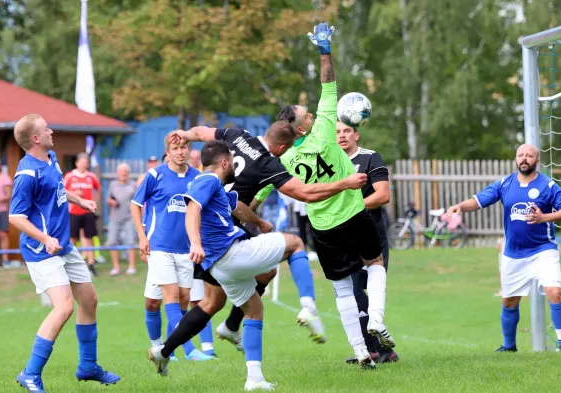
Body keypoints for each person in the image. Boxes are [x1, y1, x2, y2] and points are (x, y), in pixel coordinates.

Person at [148, 140, 346, 390]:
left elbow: (238, 207)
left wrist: (260, 223)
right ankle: (309, 307)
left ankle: (253, 378)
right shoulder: (207, 181)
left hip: (220, 266)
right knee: (295, 243)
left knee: (254, 310)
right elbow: (192, 209)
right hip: (232, 253)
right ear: (223, 162)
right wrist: (196, 243)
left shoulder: (214, 187)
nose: (233, 165)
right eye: (231, 160)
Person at [254, 22, 394, 368]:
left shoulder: (281, 159)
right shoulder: (326, 130)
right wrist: (324, 49)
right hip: (353, 213)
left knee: (343, 288)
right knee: (375, 265)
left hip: (323, 227)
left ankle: (361, 351)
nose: (313, 114)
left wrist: (249, 216)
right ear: (300, 127)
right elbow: (328, 82)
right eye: (307, 115)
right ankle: (375, 318)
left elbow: (260, 192)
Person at [169, 117, 367, 350]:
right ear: (282, 148)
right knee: (216, 301)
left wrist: (185, 134)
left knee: (263, 274)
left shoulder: (238, 135)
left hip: (220, 227)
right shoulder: (268, 164)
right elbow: (306, 194)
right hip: (221, 234)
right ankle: (306, 308)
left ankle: (211, 335)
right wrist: (345, 183)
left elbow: (203, 132)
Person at [9, 114, 119, 393]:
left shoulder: (51, 158)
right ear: (35, 138)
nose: (51, 130)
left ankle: (88, 367)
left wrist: (79, 199)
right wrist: (45, 238)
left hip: (64, 246)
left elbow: (56, 188)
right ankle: (30, 373)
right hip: (41, 250)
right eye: (46, 129)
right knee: (64, 307)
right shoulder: (26, 173)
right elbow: (16, 217)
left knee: (90, 301)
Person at [447, 143, 561, 352]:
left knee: (555, 292)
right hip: (514, 253)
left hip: (543, 249)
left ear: (537, 161)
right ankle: (509, 346)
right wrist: (460, 207)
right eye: (520, 155)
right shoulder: (505, 184)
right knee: (508, 301)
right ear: (516, 159)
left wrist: (544, 217)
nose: (524, 159)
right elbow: (478, 200)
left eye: (529, 156)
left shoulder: (548, 186)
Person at [130, 132, 213, 362]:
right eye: (175, 148)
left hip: (186, 249)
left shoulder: (198, 178)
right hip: (159, 247)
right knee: (169, 297)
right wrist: (142, 237)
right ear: (167, 151)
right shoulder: (154, 175)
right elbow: (135, 205)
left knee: (183, 298)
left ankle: (165, 349)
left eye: (184, 147)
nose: (180, 152)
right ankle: (186, 350)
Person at [336, 121, 398, 364]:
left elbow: (383, 195)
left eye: (346, 131)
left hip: (371, 234)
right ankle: (375, 349)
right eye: (338, 132)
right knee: (352, 293)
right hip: (342, 237)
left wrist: (351, 208)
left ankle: (377, 349)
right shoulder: (330, 162)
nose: (342, 136)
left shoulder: (371, 158)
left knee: (368, 293)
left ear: (356, 134)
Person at [63, 153, 101, 276]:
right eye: (82, 162)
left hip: (88, 212)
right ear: (77, 163)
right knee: (73, 238)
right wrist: (75, 194)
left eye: (86, 162)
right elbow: (62, 191)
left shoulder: (91, 176)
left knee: (89, 238)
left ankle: (91, 265)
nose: (84, 164)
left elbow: (98, 188)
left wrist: (95, 201)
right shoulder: (69, 176)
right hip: (74, 211)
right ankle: (70, 264)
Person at [106, 162, 137, 276]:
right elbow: (108, 199)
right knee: (112, 241)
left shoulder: (133, 185)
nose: (123, 173)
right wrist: (111, 202)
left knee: (130, 241)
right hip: (115, 217)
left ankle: (132, 266)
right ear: (117, 173)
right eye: (121, 171)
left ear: (128, 173)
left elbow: (138, 202)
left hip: (129, 217)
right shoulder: (113, 184)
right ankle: (116, 267)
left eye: (125, 172)